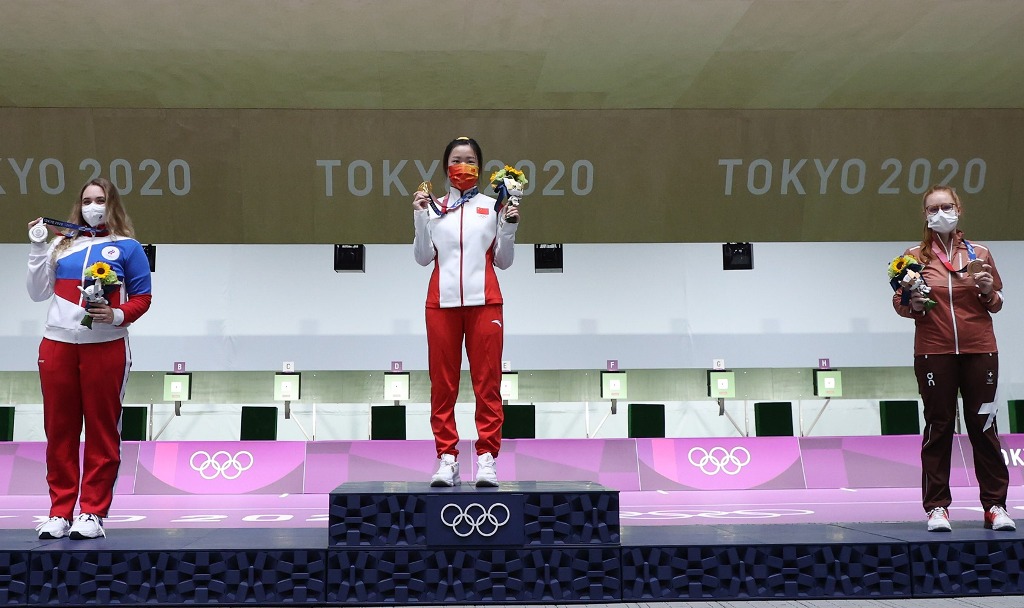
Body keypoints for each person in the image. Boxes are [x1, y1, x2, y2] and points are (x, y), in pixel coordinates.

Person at [26, 178, 153, 539]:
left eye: (100, 200)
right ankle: (59, 511)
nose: (92, 206)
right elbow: (37, 293)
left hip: (106, 347)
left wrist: (115, 315)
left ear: (112, 205)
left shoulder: (128, 247)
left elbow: (142, 298)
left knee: (102, 431)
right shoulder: (61, 245)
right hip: (57, 346)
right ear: (78, 206)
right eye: (86, 200)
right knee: (59, 431)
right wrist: (37, 247)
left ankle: (93, 512)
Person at [892, 185, 1014, 532]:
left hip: (980, 350)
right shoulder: (912, 257)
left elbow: (997, 302)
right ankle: (937, 508)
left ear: (958, 209)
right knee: (938, 427)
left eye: (946, 206)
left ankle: (995, 506)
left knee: (984, 427)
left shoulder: (980, 253)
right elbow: (900, 303)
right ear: (925, 215)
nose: (940, 213)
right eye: (933, 209)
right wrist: (914, 305)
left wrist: (988, 291)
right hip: (933, 352)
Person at [412, 136, 520, 487]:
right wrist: (419, 217)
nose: (463, 165)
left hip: (485, 302)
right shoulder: (433, 207)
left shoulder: (493, 206)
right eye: (457, 160)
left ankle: (487, 459)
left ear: (480, 167)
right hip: (441, 304)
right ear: (446, 167)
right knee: (443, 386)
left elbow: (503, 261)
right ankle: (447, 458)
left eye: (470, 160)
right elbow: (423, 257)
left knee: (488, 384)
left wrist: (510, 227)